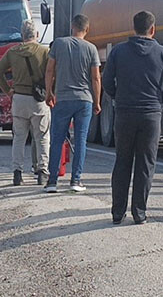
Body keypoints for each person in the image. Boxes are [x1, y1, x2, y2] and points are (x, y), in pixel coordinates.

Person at [103, 11, 163, 224]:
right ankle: (139, 212)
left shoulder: (118, 52)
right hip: (150, 115)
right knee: (145, 163)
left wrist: (119, 96)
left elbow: (107, 82)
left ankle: (117, 212)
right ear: (153, 30)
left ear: (133, 28)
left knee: (122, 161)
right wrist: (159, 101)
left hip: (125, 113)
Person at [43, 14, 102, 193]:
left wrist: (49, 92)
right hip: (84, 100)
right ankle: (76, 180)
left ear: (72, 26)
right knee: (81, 140)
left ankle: (52, 182)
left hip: (63, 99)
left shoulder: (59, 44)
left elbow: (49, 69)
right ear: (87, 29)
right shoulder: (91, 49)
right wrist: (97, 102)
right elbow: (96, 78)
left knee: (57, 139)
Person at [0, 19, 51, 186]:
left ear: (22, 35)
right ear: (37, 34)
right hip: (38, 100)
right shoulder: (44, 51)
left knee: (19, 137)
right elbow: (51, 73)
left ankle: (17, 173)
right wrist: (50, 92)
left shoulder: (12, 52)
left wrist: (8, 90)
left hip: (18, 98)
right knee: (41, 137)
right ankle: (42, 172)